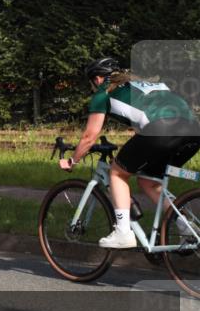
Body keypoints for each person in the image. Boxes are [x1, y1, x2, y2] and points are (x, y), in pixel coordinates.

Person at [61, 57, 200, 248]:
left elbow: (89, 137)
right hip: (193, 130)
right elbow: (144, 128)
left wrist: (72, 161)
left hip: (161, 130)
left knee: (117, 172)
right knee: (149, 182)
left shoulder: (103, 93)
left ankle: (123, 233)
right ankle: (187, 228)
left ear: (98, 79)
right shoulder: (142, 84)